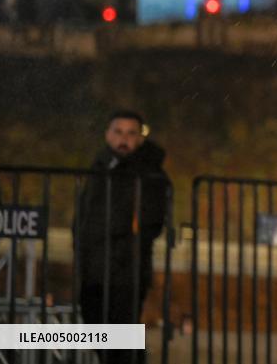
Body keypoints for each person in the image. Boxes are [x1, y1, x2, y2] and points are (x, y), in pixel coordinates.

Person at [74, 111, 170, 364]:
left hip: (126, 270)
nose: (123, 139)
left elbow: (153, 220)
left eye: (130, 133)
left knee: (120, 339)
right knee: (99, 334)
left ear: (140, 138)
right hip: (94, 266)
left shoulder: (149, 172)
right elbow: (85, 214)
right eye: (118, 132)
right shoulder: (100, 166)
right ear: (107, 134)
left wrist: (123, 248)